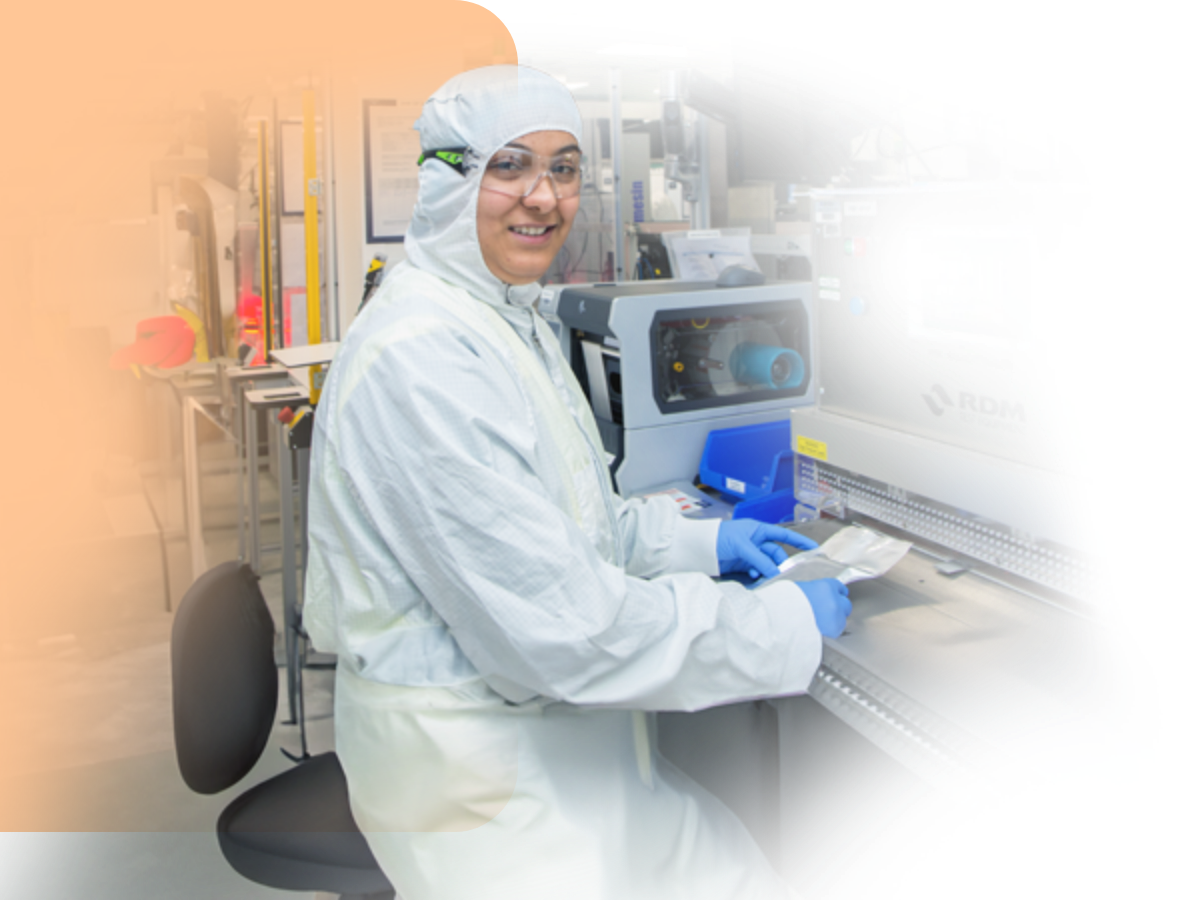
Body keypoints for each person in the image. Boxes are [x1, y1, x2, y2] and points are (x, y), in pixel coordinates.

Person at [301, 64, 851, 900]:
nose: (544, 198)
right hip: (480, 780)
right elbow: (565, 632)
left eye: (563, 169)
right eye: (511, 165)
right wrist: (776, 625)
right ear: (449, 182)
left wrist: (707, 542)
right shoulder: (423, 357)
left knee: (739, 877)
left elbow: (578, 522)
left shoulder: (504, 318)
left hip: (557, 744)